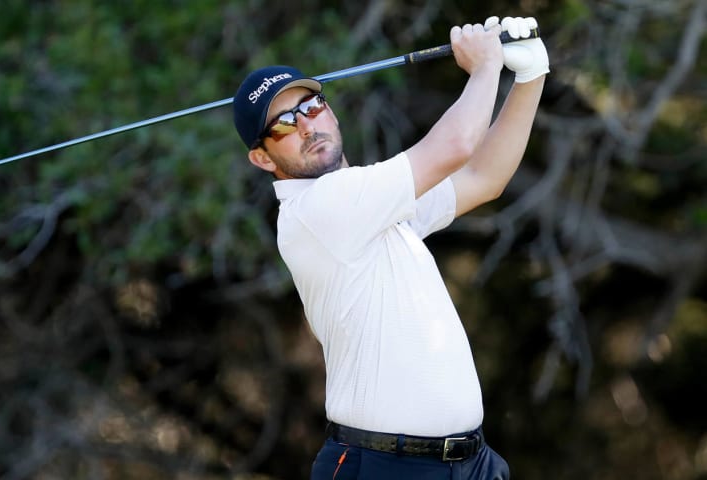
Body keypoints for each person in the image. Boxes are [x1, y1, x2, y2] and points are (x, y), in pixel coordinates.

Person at [232, 15, 548, 480]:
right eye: (281, 125)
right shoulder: (319, 209)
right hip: (385, 467)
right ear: (262, 158)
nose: (305, 126)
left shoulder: (374, 205)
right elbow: (458, 144)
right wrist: (485, 68)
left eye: (311, 107)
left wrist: (529, 77)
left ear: (330, 110)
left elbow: (484, 178)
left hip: (470, 464)